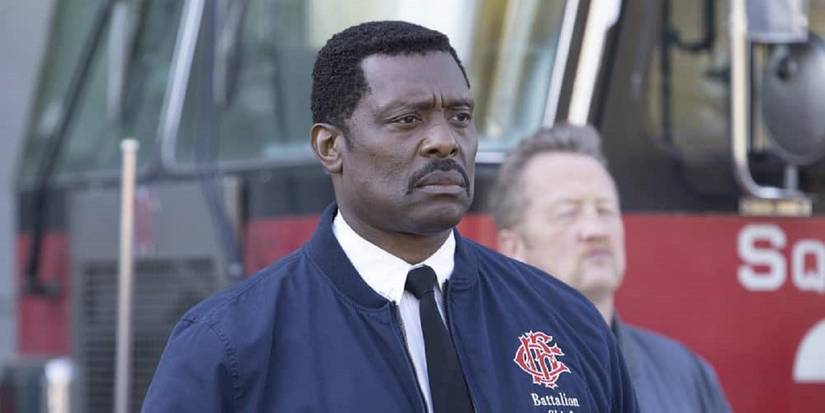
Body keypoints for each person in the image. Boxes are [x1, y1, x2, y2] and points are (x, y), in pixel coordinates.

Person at [142, 22, 638, 412]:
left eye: (461, 117)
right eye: (407, 120)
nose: (445, 140)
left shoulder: (566, 321)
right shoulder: (229, 346)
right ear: (330, 146)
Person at [489, 124, 732, 413]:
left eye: (604, 210)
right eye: (568, 213)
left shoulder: (685, 373)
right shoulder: (481, 371)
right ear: (513, 247)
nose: (595, 229)